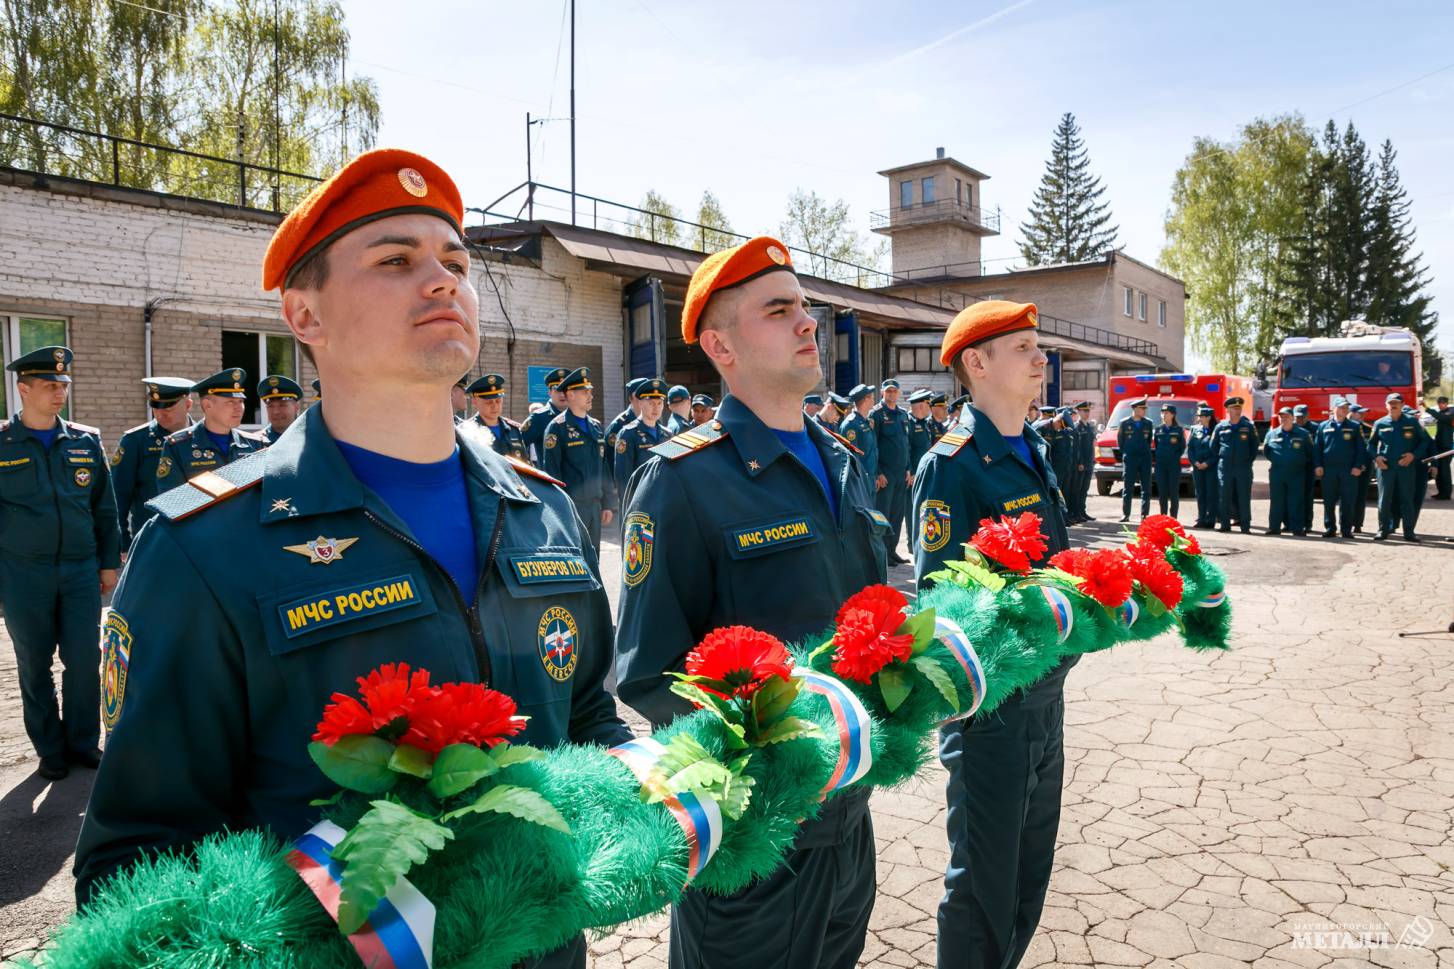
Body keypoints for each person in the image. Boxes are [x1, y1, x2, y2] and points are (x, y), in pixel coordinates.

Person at [74, 150, 629, 969]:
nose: (442, 281)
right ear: (305, 315)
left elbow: (589, 720)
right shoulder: (206, 545)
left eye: (456, 263)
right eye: (397, 261)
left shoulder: (540, 507)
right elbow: (136, 863)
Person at [615, 236, 886, 969]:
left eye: (806, 308)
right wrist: (770, 766)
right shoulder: (682, 482)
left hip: (850, 817)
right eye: (779, 310)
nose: (808, 323)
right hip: (756, 840)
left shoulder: (843, 462)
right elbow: (650, 672)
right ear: (720, 345)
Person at [910, 300, 1071, 969]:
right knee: (983, 889)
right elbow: (940, 611)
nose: (1042, 359)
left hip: (1046, 695)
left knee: (1026, 882)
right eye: (1024, 347)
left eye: (1041, 346)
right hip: (992, 712)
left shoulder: (1031, 445)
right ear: (976, 363)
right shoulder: (953, 465)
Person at [0, 346, 120, 781]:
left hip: (79, 571)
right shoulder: (2, 442)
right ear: (23, 389)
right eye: (50, 386)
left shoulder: (84, 440)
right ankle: (50, 750)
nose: (59, 393)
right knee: (34, 663)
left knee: (85, 660)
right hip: (21, 574)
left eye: (63, 385)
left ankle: (83, 743)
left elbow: (104, 509)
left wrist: (108, 564)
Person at [111, 376, 194, 553]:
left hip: (196, 538)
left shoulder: (202, 437)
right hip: (152, 540)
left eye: (168, 407)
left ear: (188, 404)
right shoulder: (135, 441)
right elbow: (118, 496)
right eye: (155, 407)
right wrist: (123, 544)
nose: (160, 413)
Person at [155, 369, 267, 487]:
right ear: (207, 405)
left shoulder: (255, 444)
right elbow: (170, 498)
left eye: (240, 401)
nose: (239, 408)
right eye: (230, 402)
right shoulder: (178, 445)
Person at [543, 367, 614, 550]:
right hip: (572, 507)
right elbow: (552, 473)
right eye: (585, 392)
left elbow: (603, 467)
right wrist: (558, 510)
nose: (590, 396)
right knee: (576, 558)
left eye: (590, 391)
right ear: (571, 395)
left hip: (594, 506)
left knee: (594, 555)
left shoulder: (596, 426)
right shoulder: (557, 428)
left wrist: (607, 503)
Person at [1369, 392, 1423, 541]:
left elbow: (1424, 441)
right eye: (1390, 403)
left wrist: (1413, 455)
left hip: (1405, 467)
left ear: (1402, 405)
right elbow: (1371, 444)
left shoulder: (1412, 422)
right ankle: (1383, 530)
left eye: (1397, 403)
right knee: (1384, 500)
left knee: (1407, 499)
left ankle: (1409, 532)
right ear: (1386, 405)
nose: (1393, 405)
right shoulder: (1380, 423)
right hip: (1386, 468)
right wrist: (1377, 457)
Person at [870, 378, 911, 564]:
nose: (891, 394)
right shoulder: (876, 414)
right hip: (885, 473)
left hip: (901, 473)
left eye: (894, 391)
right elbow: (872, 446)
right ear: (882, 393)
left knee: (897, 514)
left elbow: (906, 444)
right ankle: (883, 553)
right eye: (888, 391)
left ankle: (892, 550)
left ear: (899, 393)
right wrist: (878, 472)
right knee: (884, 514)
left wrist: (909, 468)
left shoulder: (903, 415)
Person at [1313, 397, 1365, 538]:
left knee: (1347, 500)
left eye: (1346, 407)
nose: (1345, 410)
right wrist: (1318, 465)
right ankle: (1330, 528)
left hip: (1348, 470)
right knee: (1329, 500)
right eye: (1342, 407)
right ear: (1334, 409)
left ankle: (1346, 529)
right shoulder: (1323, 426)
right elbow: (1317, 448)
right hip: (1329, 470)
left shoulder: (1354, 426)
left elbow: (1361, 449)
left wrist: (1357, 466)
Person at [613, 377, 668, 497]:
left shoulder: (667, 434)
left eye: (659, 403)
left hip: (663, 498)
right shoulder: (627, 434)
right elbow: (623, 478)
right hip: (640, 499)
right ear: (640, 403)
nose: (656, 408)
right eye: (651, 403)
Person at [1211, 396, 1257, 533]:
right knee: (1224, 496)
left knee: (1244, 496)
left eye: (1239, 408)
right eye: (1234, 408)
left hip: (1243, 467)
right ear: (1228, 410)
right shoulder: (1220, 427)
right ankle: (1225, 524)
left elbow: (1254, 447)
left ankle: (1245, 525)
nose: (1237, 411)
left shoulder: (1248, 426)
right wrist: (1223, 458)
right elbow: (1213, 446)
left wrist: (1247, 461)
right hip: (1225, 467)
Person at [1263, 407, 1311, 535]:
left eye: (1286, 417)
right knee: (1276, 501)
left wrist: (1298, 463)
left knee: (1296, 501)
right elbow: (1267, 452)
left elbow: (1310, 452)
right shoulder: (1271, 434)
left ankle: (1297, 528)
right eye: (1281, 417)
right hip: (1277, 473)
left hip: (1296, 473)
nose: (1283, 419)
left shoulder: (1303, 434)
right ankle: (1274, 527)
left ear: (1292, 418)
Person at [467, 373, 526, 460]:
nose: (494, 406)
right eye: (489, 402)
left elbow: (525, 461)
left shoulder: (513, 429)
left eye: (498, 401)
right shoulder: (468, 431)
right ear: (475, 402)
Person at [1033, 406, 1075, 518]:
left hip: (1049, 467)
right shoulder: (1042, 427)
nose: (1060, 429)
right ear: (1058, 420)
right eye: (1061, 426)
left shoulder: (1056, 431)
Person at [522, 367, 568, 463]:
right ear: (549, 392)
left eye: (565, 390)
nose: (562, 394)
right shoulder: (539, 417)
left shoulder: (575, 416)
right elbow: (517, 446)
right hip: (548, 477)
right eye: (557, 389)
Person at [1117, 398, 1153, 522]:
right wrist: (1127, 452)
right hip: (1130, 459)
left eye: (1144, 409)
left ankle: (1144, 515)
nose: (1144, 411)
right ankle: (1126, 514)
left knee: (1146, 488)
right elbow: (1121, 442)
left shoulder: (1148, 423)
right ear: (1135, 409)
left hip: (1145, 459)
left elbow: (1149, 441)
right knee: (1128, 488)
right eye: (1142, 408)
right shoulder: (1124, 423)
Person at [605, 378, 647, 480]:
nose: (646, 399)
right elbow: (609, 460)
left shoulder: (651, 420)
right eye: (641, 395)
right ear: (631, 398)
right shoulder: (618, 426)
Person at [840, 384, 878, 490]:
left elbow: (872, 450)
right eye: (872, 397)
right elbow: (851, 456)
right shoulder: (851, 424)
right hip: (860, 481)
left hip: (870, 478)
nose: (873, 399)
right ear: (866, 399)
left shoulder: (865, 422)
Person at [1152, 403, 1186, 519]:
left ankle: (1173, 518)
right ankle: (1163, 517)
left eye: (1166, 413)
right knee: (1162, 493)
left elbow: (1182, 447)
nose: (1163, 415)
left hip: (1173, 466)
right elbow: (1156, 445)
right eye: (1162, 413)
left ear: (1172, 415)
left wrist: (1173, 457)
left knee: (1173, 493)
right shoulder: (1158, 429)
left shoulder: (1178, 430)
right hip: (1161, 466)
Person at [1187, 405, 1219, 529]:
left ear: (1209, 417)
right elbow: (1190, 449)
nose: (1199, 418)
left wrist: (1208, 463)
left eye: (1202, 416)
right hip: (1197, 467)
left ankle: (1211, 519)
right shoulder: (1195, 429)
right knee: (1200, 493)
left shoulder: (1216, 430)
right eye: (1199, 416)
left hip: (1210, 467)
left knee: (1211, 493)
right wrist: (1194, 462)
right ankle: (1201, 518)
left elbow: (1218, 451)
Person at [1293, 404, 1319, 532]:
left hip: (1309, 467)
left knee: (1307, 496)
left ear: (1307, 415)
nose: (1299, 420)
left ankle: (1307, 524)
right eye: (1297, 417)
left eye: (1302, 417)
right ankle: (1291, 523)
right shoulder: (1290, 427)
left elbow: (1319, 448)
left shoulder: (1315, 428)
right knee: (1293, 496)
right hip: (1294, 467)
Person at [1068, 401, 1095, 524]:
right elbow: (1077, 448)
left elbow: (1091, 446)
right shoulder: (1076, 427)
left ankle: (1082, 511)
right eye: (1084, 411)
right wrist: (1080, 462)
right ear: (1079, 412)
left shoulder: (1089, 426)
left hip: (1089, 462)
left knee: (1085, 489)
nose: (1087, 413)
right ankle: (1075, 512)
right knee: (1077, 489)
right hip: (1081, 463)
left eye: (1088, 411)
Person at [258, 374, 303, 443]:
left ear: (296, 407)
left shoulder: (311, 439)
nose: (276, 412)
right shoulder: (256, 442)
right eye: (271, 406)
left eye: (282, 405)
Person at [1348, 404, 1372, 533]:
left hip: (1365, 467)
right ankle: (1346, 523)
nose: (1363, 415)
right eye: (1359, 413)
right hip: (1349, 467)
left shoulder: (1368, 429)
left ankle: (1357, 524)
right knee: (1347, 496)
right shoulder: (1346, 428)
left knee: (1361, 495)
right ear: (1351, 413)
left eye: (1363, 412)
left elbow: (1371, 447)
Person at [1431, 395, 1453, 500]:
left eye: (1442, 403)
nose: (1440, 404)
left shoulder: (1450, 413)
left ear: (1446, 403)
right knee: (1439, 471)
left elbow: (1442, 418)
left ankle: (1447, 493)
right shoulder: (1440, 413)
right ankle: (1440, 492)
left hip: (1446, 447)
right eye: (1439, 403)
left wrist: (1427, 409)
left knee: (1445, 472)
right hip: (1439, 446)